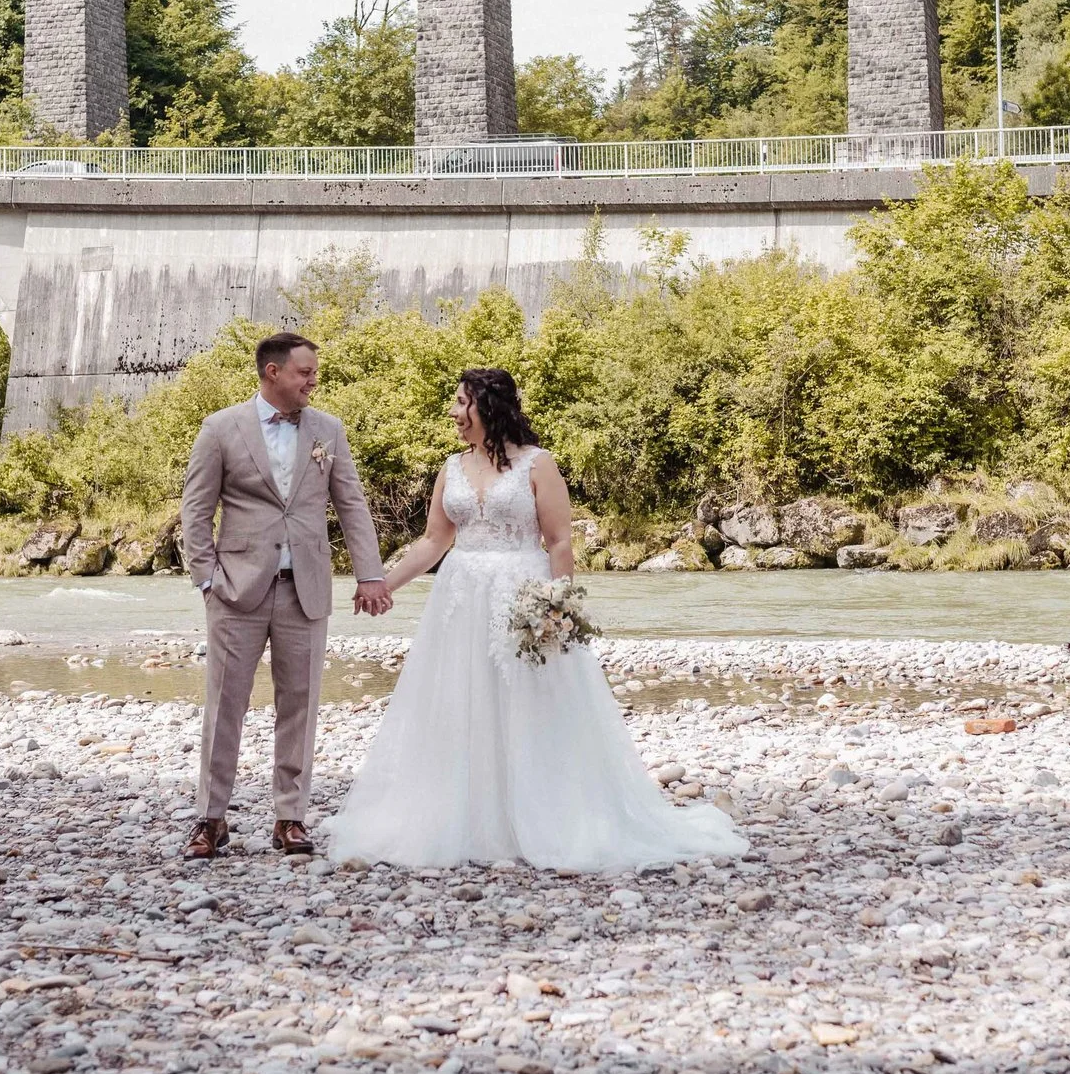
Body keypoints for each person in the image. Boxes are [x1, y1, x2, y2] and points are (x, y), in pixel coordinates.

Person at [324, 367, 747, 871]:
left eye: (462, 403)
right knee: (461, 699)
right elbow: (435, 541)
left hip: (520, 594)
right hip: (460, 598)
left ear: (488, 406)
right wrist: (383, 585)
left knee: (529, 701)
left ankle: (545, 815)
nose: (455, 413)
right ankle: (465, 817)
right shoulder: (451, 468)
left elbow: (559, 541)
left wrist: (558, 605)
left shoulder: (537, 465)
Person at [176, 331, 390, 860]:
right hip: (236, 591)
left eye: (313, 372)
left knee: (300, 704)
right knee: (225, 704)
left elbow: (352, 506)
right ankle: (211, 817)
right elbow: (195, 511)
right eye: (305, 372)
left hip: (306, 589)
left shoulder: (327, 430)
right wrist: (207, 580)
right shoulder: (221, 428)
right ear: (273, 373)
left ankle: (290, 818)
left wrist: (370, 574)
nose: (313, 381)